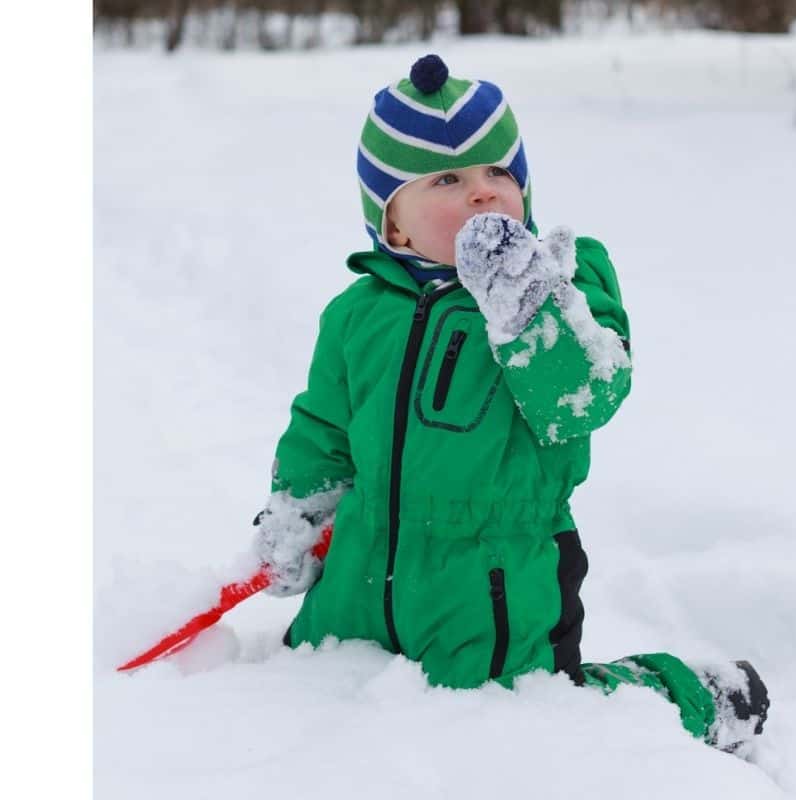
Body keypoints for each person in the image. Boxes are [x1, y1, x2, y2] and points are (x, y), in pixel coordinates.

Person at [252, 54, 768, 755]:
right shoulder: (356, 314)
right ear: (392, 226)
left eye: (500, 173)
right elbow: (324, 428)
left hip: (499, 574)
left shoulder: (566, 276)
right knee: (332, 706)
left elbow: (580, 399)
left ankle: (686, 696)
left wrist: (528, 307)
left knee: (535, 720)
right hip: (360, 576)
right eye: (446, 179)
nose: (482, 193)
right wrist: (300, 513)